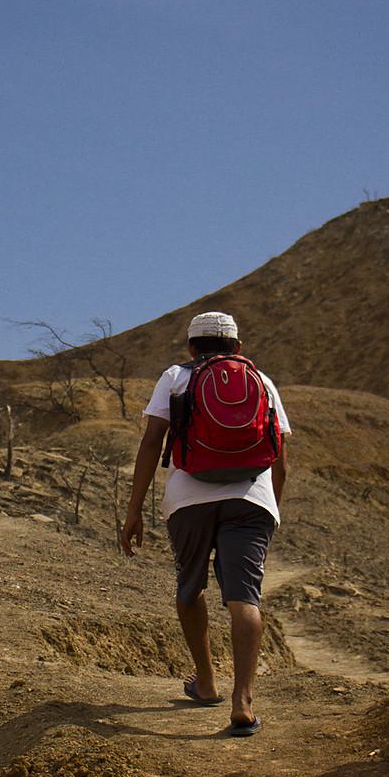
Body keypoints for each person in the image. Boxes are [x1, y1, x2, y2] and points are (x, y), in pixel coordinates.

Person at [119, 311, 289, 735]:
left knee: (190, 586)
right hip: (252, 500)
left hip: (187, 499)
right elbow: (281, 457)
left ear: (192, 347)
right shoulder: (262, 381)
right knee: (245, 598)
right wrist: (271, 509)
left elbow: (151, 441)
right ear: (238, 347)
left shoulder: (176, 377)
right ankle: (243, 703)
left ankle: (208, 682)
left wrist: (134, 508)